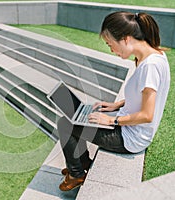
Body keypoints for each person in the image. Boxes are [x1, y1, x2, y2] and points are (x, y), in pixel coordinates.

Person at [58, 11, 170, 191]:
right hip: (129, 127)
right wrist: (117, 105)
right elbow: (142, 96)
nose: (112, 50)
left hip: (131, 138)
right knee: (75, 119)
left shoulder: (150, 66)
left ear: (126, 39)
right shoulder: (153, 56)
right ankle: (82, 162)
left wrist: (111, 120)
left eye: (111, 45)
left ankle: (76, 174)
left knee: (66, 124)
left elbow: (147, 115)